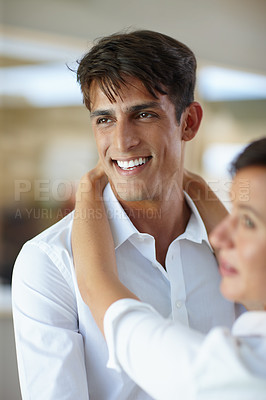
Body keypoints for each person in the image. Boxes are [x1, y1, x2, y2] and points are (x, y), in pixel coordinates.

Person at [12, 30, 241, 400]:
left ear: (189, 123)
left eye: (144, 114)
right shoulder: (50, 263)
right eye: (104, 119)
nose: (121, 141)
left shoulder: (239, 251)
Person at [72, 138, 266, 400]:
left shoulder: (242, 373)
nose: (218, 238)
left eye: (248, 222)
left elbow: (105, 297)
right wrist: (182, 176)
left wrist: (89, 187)